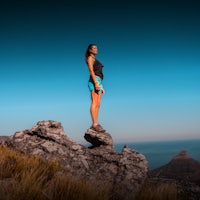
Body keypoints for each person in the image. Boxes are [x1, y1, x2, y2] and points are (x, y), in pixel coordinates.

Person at [85, 44, 106, 132]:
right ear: (90, 50)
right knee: (94, 102)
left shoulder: (95, 59)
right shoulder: (90, 58)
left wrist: (101, 86)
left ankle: (96, 123)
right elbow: (91, 71)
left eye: (96, 48)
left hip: (99, 81)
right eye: (94, 48)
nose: (96, 49)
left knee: (98, 104)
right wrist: (96, 83)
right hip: (94, 81)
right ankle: (94, 124)